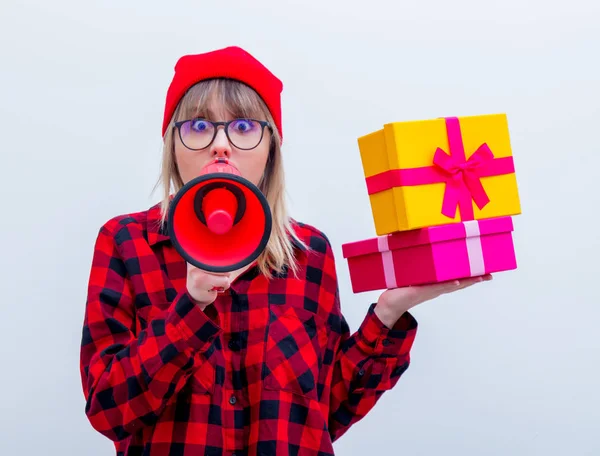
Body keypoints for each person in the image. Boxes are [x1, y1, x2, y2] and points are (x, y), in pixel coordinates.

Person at [79, 45, 491, 456]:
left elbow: (327, 413)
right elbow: (108, 412)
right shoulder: (126, 242)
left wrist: (388, 312)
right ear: (173, 145)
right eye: (199, 126)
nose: (220, 145)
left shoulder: (308, 253)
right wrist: (190, 307)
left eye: (243, 127)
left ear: (271, 147)